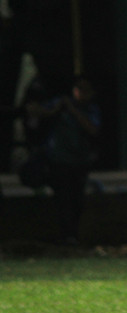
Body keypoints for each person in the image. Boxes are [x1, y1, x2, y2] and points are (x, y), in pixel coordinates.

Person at [25, 76, 101, 245]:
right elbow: (36, 112)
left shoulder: (90, 109)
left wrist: (73, 110)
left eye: (85, 90)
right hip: (59, 160)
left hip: (79, 161)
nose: (81, 94)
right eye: (78, 89)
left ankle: (74, 234)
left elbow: (93, 129)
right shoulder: (59, 104)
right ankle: (66, 235)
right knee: (63, 198)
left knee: (77, 200)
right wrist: (56, 109)